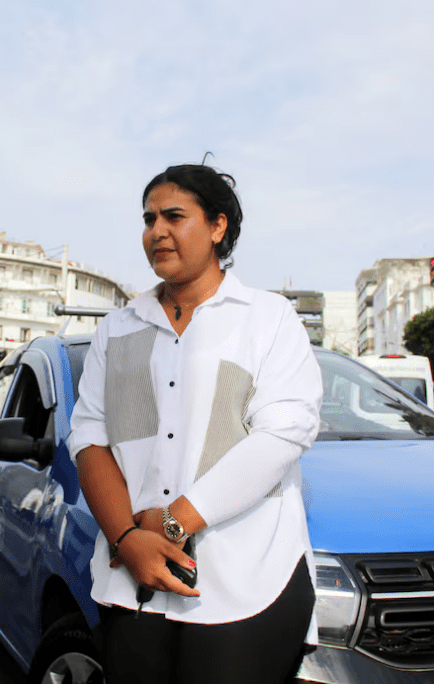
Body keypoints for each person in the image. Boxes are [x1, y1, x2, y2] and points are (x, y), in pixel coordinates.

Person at [69, 164, 323, 683]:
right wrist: (124, 538)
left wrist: (172, 522)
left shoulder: (267, 318)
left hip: (246, 580)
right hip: (133, 582)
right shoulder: (117, 329)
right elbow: (89, 440)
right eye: (148, 219)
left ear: (217, 227)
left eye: (174, 216)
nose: (156, 231)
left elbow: (282, 434)